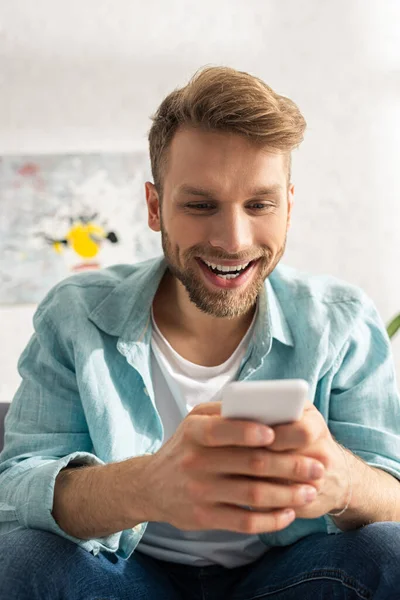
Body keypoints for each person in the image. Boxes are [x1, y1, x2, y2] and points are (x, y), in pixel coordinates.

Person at [0, 66, 399, 600]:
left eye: (259, 204)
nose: (233, 240)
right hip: (126, 578)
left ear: (288, 207)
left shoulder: (341, 320)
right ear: (154, 207)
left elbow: (392, 495)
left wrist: (342, 482)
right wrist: (147, 487)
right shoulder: (75, 315)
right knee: (25, 559)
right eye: (200, 205)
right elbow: (16, 487)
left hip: (288, 576)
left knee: (387, 553)